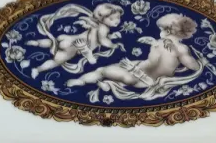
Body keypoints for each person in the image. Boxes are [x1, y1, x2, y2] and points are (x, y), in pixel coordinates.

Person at [66, 13, 199, 88]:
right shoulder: (178, 48)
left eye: (161, 29)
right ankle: (110, 84)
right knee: (117, 75)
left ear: (168, 31)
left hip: (140, 77)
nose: (160, 32)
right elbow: (192, 66)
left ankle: (82, 81)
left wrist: (133, 68)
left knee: (101, 71)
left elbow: (154, 63)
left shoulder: (167, 47)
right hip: (142, 73)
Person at [27, 3, 123, 78]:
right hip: (75, 46)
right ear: (101, 18)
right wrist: (113, 45)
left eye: (118, 18)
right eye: (111, 19)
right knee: (56, 61)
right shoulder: (103, 28)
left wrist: (111, 36)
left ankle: (37, 43)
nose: (117, 21)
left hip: (68, 38)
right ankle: (37, 69)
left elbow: (98, 36)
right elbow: (103, 40)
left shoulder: (95, 25)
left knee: (53, 42)